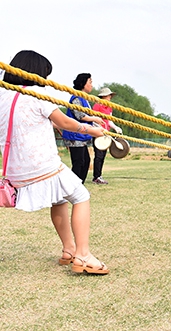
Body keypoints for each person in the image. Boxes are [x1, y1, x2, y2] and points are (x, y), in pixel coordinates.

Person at [0, 50, 109, 274]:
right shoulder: (38, 95)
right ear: (35, 74)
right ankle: (83, 255)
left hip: (13, 171)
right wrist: (93, 131)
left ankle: (69, 249)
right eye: (44, 75)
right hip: (42, 165)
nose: (45, 81)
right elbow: (67, 122)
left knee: (59, 199)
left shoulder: (2, 96)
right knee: (81, 196)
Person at [62, 73, 105, 183]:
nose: (92, 85)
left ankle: (79, 186)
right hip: (74, 136)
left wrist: (97, 125)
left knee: (85, 161)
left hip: (82, 137)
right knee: (79, 162)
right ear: (83, 84)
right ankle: (72, 187)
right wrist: (95, 119)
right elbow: (80, 116)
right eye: (90, 82)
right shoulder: (76, 98)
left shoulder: (84, 99)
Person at [91, 87, 123, 185]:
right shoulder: (97, 106)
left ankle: (99, 175)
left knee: (103, 155)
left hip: (106, 134)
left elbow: (109, 121)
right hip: (98, 133)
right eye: (109, 96)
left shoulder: (109, 107)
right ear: (103, 96)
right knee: (99, 155)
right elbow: (93, 120)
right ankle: (96, 177)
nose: (110, 98)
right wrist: (101, 129)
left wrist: (115, 127)